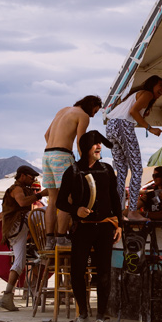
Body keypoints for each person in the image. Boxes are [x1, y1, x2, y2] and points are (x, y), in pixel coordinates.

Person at [56, 130, 123, 322]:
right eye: (95, 145)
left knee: (103, 273)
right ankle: (83, 315)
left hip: (104, 227)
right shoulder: (73, 172)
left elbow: (115, 197)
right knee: (77, 272)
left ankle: (100, 317)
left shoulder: (107, 170)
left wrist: (119, 225)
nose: (99, 147)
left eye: (100, 145)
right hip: (82, 229)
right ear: (86, 148)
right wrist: (75, 209)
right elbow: (60, 201)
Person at [42, 95, 102, 248]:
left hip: (47, 155)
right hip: (62, 155)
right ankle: (61, 238)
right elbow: (81, 142)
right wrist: (85, 163)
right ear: (91, 105)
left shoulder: (63, 110)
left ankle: (49, 240)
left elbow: (46, 135)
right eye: (94, 111)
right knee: (66, 199)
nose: (93, 115)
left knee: (53, 201)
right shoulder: (82, 116)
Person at [105, 75, 162, 211]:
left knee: (121, 170)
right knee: (137, 169)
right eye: (160, 85)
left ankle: (118, 209)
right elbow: (133, 111)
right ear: (152, 85)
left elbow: (132, 111)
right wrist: (150, 128)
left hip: (111, 126)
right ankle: (132, 211)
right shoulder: (147, 94)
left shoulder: (137, 95)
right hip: (122, 125)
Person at [0, 165, 45, 311]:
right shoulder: (17, 189)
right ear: (22, 176)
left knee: (22, 261)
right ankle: (6, 296)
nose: (33, 181)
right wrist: (40, 195)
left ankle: (9, 296)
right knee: (19, 262)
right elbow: (23, 202)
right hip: (17, 228)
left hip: (20, 228)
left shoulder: (20, 189)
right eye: (31, 178)